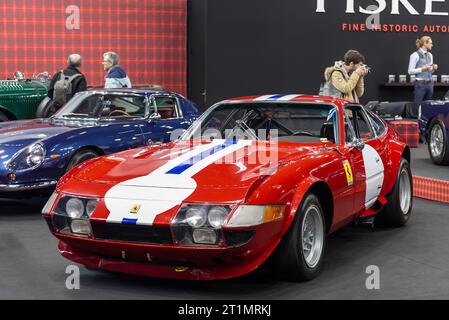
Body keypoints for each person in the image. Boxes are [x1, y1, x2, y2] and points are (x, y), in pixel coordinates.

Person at [408, 36, 438, 103]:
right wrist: (421, 69)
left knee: (427, 106)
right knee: (417, 106)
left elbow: (430, 71)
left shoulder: (430, 55)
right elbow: (410, 71)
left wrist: (433, 68)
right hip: (420, 84)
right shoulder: (415, 55)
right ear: (425, 43)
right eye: (430, 43)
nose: (432, 45)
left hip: (430, 84)